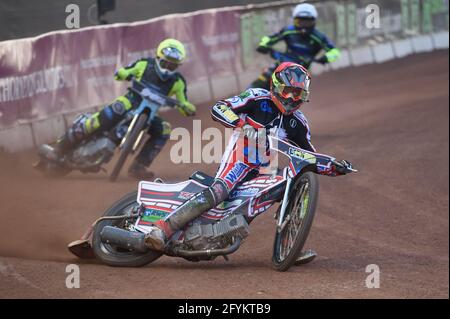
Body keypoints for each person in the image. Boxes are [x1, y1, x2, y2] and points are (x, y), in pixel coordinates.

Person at [144, 62, 352, 252]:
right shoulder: (256, 97)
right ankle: (162, 228)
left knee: (286, 185)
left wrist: (334, 167)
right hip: (240, 158)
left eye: (297, 93)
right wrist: (241, 124)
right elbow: (219, 108)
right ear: (277, 86)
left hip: (265, 169)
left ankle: (291, 245)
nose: (291, 98)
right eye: (288, 91)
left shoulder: (299, 122)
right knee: (220, 190)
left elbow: (309, 156)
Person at [42, 38, 196, 179]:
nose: (168, 69)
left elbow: (183, 103)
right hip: (129, 102)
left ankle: (138, 166)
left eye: (172, 66)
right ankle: (60, 149)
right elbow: (125, 71)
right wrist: (123, 73)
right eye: (165, 63)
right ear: (158, 58)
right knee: (99, 120)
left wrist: (186, 107)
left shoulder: (178, 82)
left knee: (165, 129)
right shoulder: (144, 65)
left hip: (150, 115)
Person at [250, 2, 341, 90]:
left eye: (307, 22)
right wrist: (263, 45)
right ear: (294, 20)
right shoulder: (288, 31)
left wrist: (326, 58)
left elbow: (335, 51)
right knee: (257, 85)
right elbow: (270, 38)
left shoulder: (319, 37)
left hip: (298, 74)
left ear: (314, 21)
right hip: (280, 65)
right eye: (300, 21)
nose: (303, 26)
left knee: (289, 96)